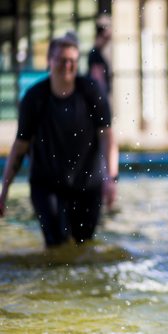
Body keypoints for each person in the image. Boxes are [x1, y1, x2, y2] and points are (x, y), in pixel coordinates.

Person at [0, 32, 119, 248]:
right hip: (47, 185)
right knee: (56, 244)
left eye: (72, 61)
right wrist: (4, 191)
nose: (67, 66)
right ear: (49, 61)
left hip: (87, 184)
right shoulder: (34, 98)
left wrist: (111, 178)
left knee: (84, 244)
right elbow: (20, 147)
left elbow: (108, 137)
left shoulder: (91, 92)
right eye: (61, 60)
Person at [87, 19, 112, 95]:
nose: (106, 42)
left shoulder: (97, 53)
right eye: (105, 39)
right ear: (99, 36)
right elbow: (98, 81)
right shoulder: (95, 54)